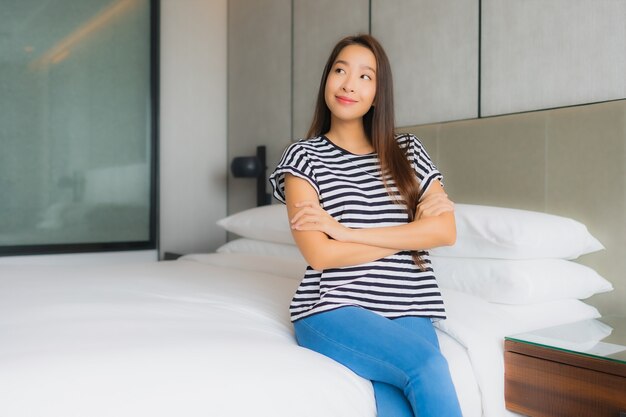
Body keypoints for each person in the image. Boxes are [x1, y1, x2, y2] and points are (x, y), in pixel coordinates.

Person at [269, 34, 462, 417]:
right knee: (428, 366)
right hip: (333, 308)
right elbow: (320, 254)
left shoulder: (408, 151)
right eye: (340, 70)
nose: (348, 84)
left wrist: (347, 233)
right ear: (326, 79)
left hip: (410, 304)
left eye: (364, 76)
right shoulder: (303, 157)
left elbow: (444, 232)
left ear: (378, 93)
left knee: (394, 405)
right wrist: (411, 237)